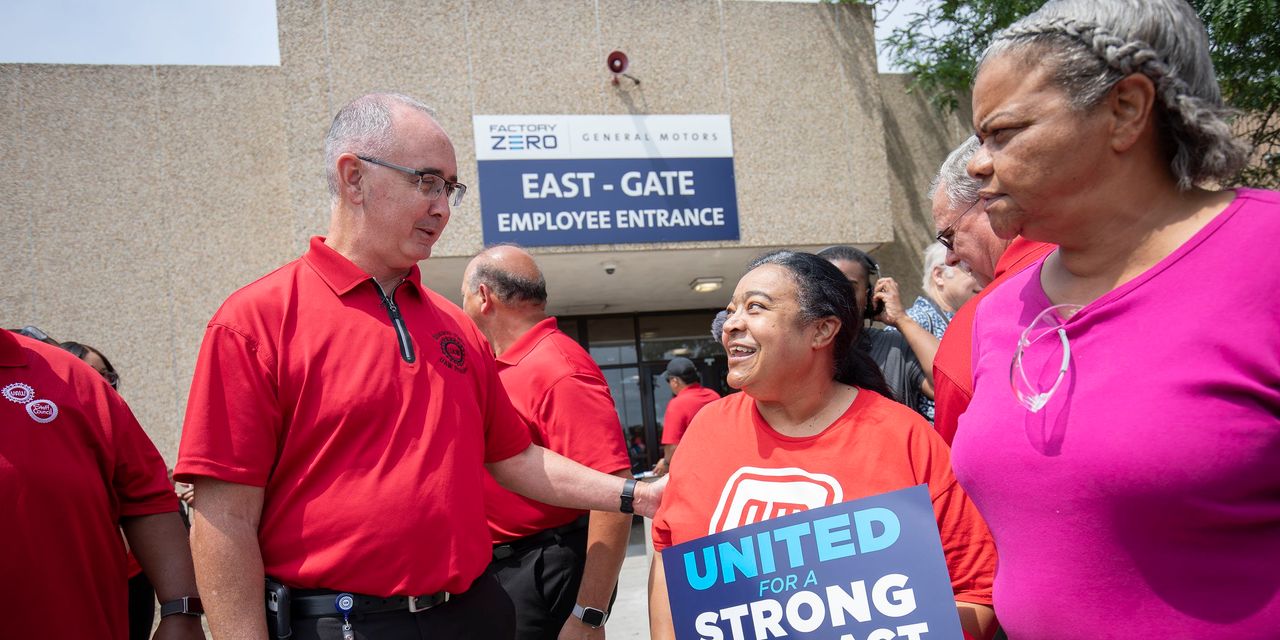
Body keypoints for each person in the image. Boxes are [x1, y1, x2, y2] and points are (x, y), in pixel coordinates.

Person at [175, 93, 661, 640]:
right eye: (427, 182)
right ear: (354, 177)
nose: (443, 208)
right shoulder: (256, 321)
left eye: (450, 189)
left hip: (474, 614)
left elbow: (515, 457)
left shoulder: (456, 327)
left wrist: (637, 495)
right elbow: (224, 519)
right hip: (343, 624)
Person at [952, 1, 1280, 637]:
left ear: (1126, 109)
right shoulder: (998, 311)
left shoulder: (1265, 257)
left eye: (1003, 132)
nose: (976, 164)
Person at [649, 251, 998, 640]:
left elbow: (975, 590)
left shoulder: (906, 438)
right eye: (731, 311)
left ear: (822, 330)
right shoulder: (707, 430)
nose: (730, 324)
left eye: (755, 307)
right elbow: (669, 556)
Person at [461, 245, 633, 639]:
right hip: (504, 569)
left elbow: (614, 496)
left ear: (483, 297)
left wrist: (588, 616)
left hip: (543, 570)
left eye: (463, 296)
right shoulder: (505, 364)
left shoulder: (558, 369)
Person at [1, 329, 203, 640]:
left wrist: (182, 612)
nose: (107, 381)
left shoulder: (69, 376)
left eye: (110, 375)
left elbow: (148, 495)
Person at [928, 137, 1055, 444]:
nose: (950, 258)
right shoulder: (1119, 258)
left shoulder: (975, 325)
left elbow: (953, 460)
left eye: (949, 237)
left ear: (990, 201)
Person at [61, 340, 159, 640]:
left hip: (133, 575)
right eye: (91, 375)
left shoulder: (120, 423)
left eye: (108, 375)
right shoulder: (56, 433)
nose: (103, 384)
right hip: (81, 580)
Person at [816, 246, 932, 415]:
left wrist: (901, 319)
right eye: (828, 286)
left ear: (869, 297)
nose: (837, 296)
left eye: (848, 287)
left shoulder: (895, 348)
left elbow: (952, 382)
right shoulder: (797, 349)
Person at [874, 243, 981, 422]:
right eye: (968, 268)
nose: (979, 275)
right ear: (938, 275)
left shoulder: (966, 319)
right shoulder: (913, 322)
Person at [650, 356, 719, 476]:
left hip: (695, 470)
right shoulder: (714, 396)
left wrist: (665, 462)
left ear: (675, 381)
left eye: (668, 381)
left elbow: (673, 446)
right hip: (719, 463)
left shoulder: (677, 404)